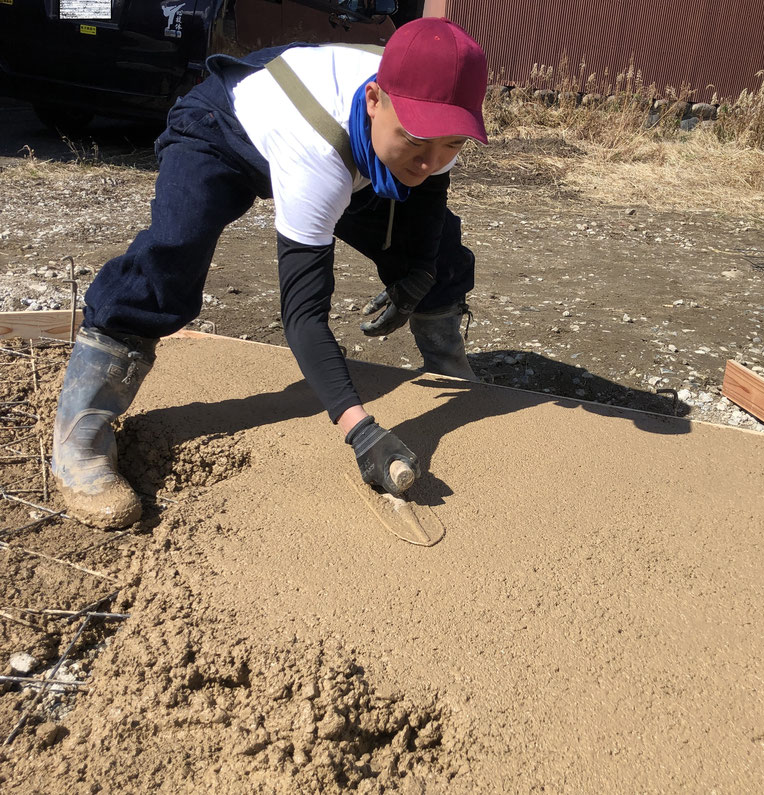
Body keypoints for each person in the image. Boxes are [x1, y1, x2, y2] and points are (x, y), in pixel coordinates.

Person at [51, 17, 488, 528]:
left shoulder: (432, 118)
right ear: (374, 99)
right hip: (226, 128)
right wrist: (360, 429)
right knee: (174, 253)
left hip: (347, 136)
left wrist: (418, 272)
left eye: (452, 146)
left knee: (443, 253)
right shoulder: (319, 157)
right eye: (417, 144)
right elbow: (303, 317)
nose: (432, 161)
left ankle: (444, 360)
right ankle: (82, 426)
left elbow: (428, 191)